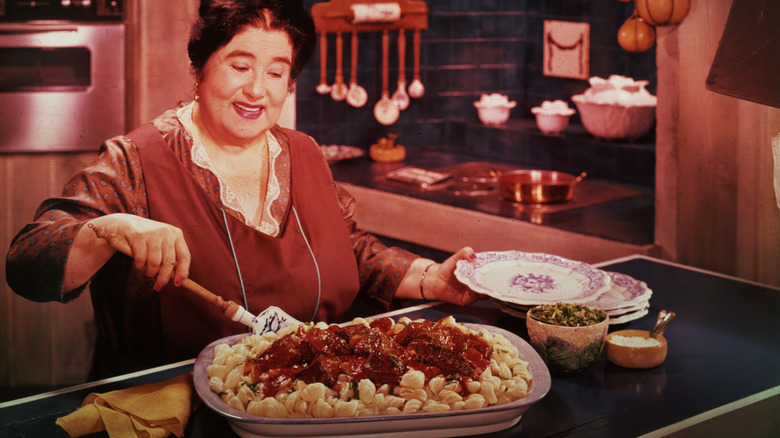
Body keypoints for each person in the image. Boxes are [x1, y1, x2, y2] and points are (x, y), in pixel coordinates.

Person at [5, 0, 480, 380]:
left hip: (303, 401)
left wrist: (431, 277)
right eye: (239, 66)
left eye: (276, 72)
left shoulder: (305, 153)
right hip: (165, 410)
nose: (257, 89)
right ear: (200, 69)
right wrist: (107, 229)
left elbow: (347, 247)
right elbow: (27, 263)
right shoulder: (135, 161)